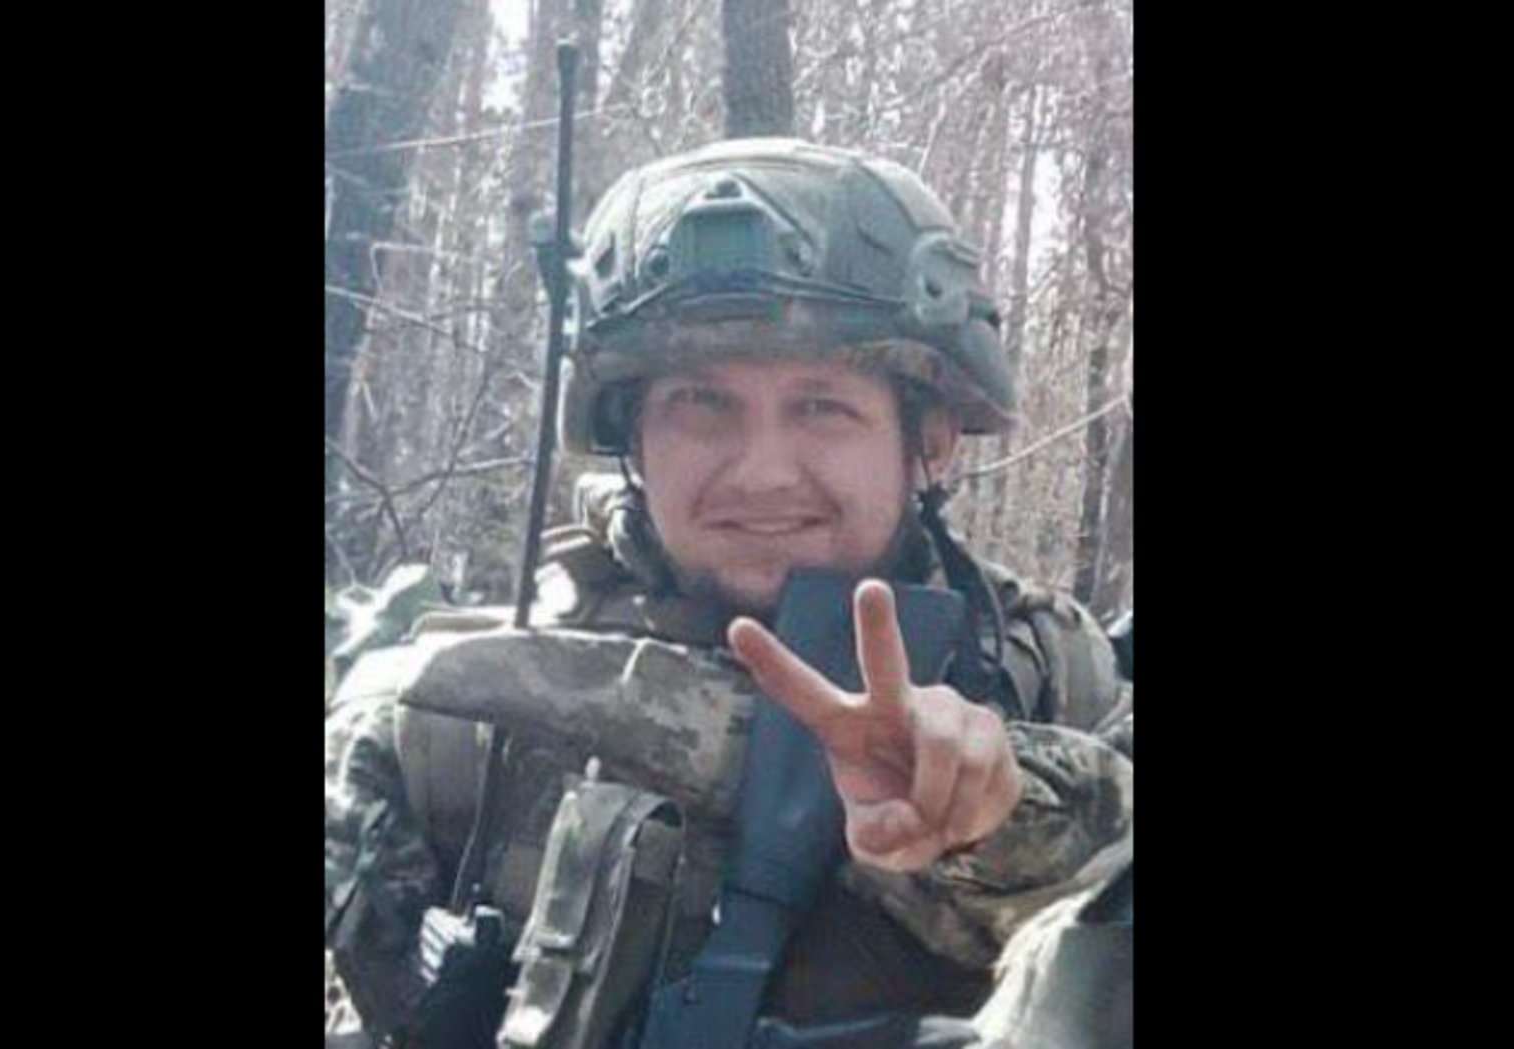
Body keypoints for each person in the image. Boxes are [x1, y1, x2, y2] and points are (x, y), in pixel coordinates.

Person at [325, 137, 1133, 1048]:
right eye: (701, 404)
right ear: (632, 436)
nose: (761, 471)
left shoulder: (1058, 685)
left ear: (932, 439)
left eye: (822, 406)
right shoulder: (448, 721)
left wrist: (1006, 820)